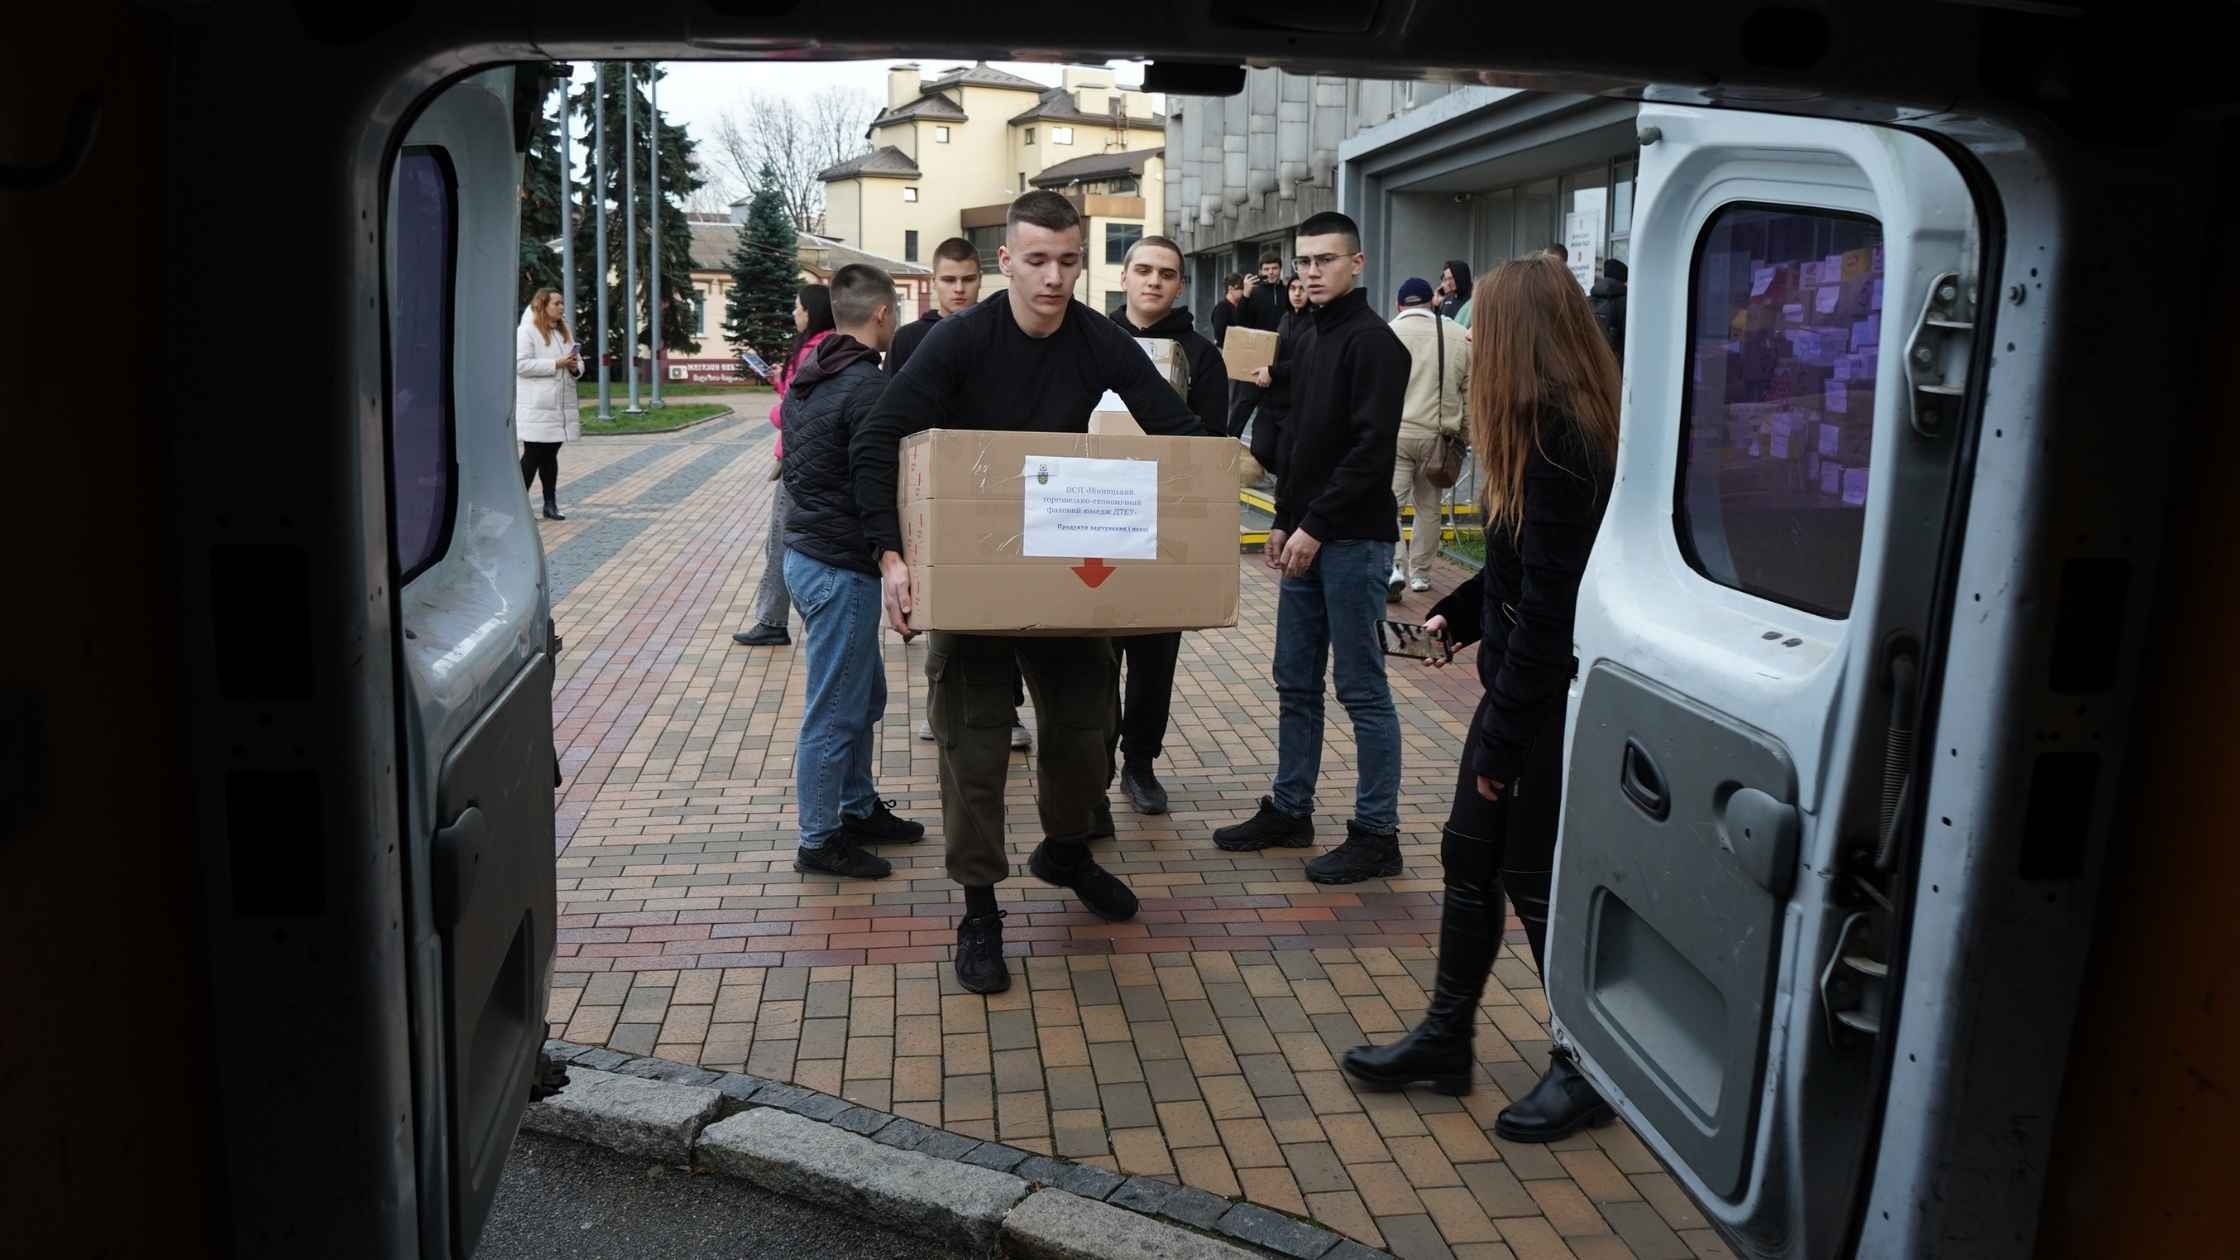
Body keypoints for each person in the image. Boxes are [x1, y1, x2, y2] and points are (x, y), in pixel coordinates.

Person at [851, 190, 1205, 995]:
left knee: (1087, 731)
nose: (1053, 278)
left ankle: (1066, 852)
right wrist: (891, 556)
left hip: (1062, 564)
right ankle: (980, 908)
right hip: (971, 573)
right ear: (1005, 261)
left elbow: (1178, 434)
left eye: (1068, 261)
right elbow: (877, 438)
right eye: (1037, 260)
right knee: (973, 748)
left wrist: (1205, 499)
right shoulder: (960, 341)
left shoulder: (1099, 341)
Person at [1338, 255, 1620, 1143]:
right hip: (1520, 692)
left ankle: (1587, 1064)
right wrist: (1457, 617)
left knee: (1532, 880)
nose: (1471, 345)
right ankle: (1445, 1038)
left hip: (1543, 702)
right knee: (1469, 856)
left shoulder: (1563, 446)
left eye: (1482, 331)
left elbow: (1551, 614)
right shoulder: (1539, 431)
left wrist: (1499, 743)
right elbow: (1516, 569)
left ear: (1515, 341)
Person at [1211, 210, 1409, 886]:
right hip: (1305, 532)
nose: (1313, 271)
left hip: (1353, 541)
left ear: (1357, 264)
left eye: (1326, 260)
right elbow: (1296, 439)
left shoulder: (1375, 343)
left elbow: (1370, 454)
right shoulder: (1304, 333)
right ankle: (1291, 809)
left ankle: (1377, 833)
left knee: (1362, 688)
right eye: (1305, 260)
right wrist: (1284, 519)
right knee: (1295, 680)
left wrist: (1314, 525)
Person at [777, 264, 926, 878]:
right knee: (836, 708)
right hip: (840, 565)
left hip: (808, 555)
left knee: (862, 695)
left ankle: (857, 808)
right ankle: (818, 840)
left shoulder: (811, 373)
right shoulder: (866, 384)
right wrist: (891, 555)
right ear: (883, 314)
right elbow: (871, 479)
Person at [890, 239, 1033, 754]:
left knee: (1003, 603)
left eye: (968, 279)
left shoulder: (1000, 331)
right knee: (944, 608)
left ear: (982, 278)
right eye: (949, 280)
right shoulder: (910, 340)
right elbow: (893, 418)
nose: (959, 289)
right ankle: (943, 704)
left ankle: (1007, 709)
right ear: (934, 281)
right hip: (935, 489)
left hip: (995, 486)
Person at [1106, 233, 1226, 816]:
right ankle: (1089, 763)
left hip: (1165, 523)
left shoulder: (1202, 356)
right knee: (1093, 653)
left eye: (1167, 273)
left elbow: (1213, 444)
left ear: (1180, 285)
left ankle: (1140, 763)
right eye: (1144, 270)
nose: (1154, 281)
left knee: (1154, 655)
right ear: (1124, 276)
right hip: (1094, 518)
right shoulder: (1091, 341)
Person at [735, 285, 834, 647]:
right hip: (817, 455)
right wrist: (781, 382)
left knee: (780, 541)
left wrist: (775, 412)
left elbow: (793, 410)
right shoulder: (831, 346)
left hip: (796, 457)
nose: (794, 314)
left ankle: (772, 621)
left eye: (798, 308)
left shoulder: (809, 352)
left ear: (811, 312)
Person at [1387, 276, 1471, 597]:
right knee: (1429, 508)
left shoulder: (1386, 333)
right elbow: (1469, 392)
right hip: (1439, 437)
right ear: (1431, 303)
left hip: (1395, 433)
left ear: (1399, 305)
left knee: (1389, 505)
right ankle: (1420, 574)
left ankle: (1394, 566)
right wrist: (1465, 434)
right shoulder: (1457, 335)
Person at [515, 288, 583, 521]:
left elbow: (578, 363)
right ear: (542, 305)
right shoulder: (527, 331)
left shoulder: (564, 331)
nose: (562, 307)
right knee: (532, 455)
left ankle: (550, 504)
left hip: (560, 405)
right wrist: (556, 363)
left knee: (550, 455)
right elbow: (520, 365)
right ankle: (518, 505)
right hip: (537, 406)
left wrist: (574, 367)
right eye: (556, 303)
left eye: (562, 303)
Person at [1242, 276, 1311, 469]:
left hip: (1295, 401)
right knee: (1260, 448)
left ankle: (1284, 483)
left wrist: (1272, 371)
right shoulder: (1285, 318)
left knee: (1285, 457)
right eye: (1293, 289)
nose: (1297, 294)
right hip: (1271, 396)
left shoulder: (1314, 322)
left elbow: (1306, 361)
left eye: (1302, 289)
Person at [1225, 252, 1288, 437]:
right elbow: (1241, 322)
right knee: (1244, 404)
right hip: (1257, 355)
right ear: (1260, 271)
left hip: (1282, 355)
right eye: (1266, 269)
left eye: (1274, 268)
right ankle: (1228, 441)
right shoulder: (1254, 292)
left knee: (1276, 406)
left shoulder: (1287, 291)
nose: (1271, 272)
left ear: (1280, 269)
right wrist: (1245, 295)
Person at [1591, 257, 1628, 359]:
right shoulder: (1626, 303)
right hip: (1616, 364)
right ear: (1624, 282)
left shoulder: (1587, 300)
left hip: (1592, 362)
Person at [1211, 273, 1245, 347]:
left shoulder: (1241, 307)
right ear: (1230, 288)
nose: (1243, 291)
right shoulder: (1222, 308)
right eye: (1241, 288)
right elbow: (1219, 336)